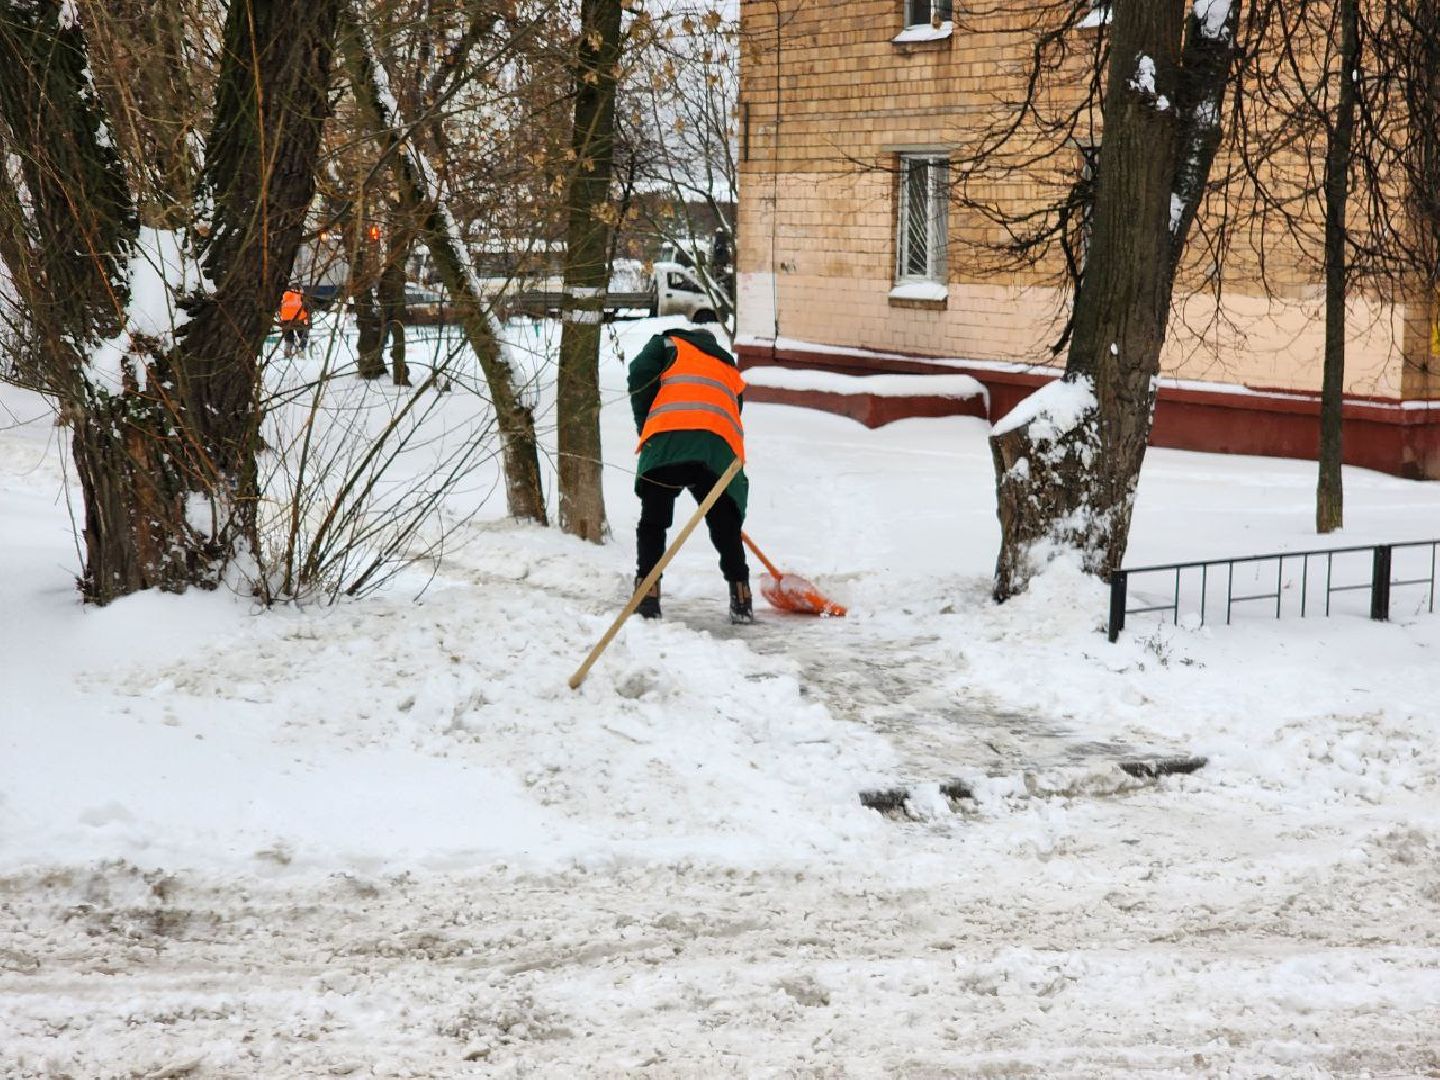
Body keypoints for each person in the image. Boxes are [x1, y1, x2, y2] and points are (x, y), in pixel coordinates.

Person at [629, 322, 752, 624]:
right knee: (725, 524)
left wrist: (647, 422)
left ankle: (648, 593)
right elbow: (734, 406)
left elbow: (639, 372)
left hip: (669, 443)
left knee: (654, 521)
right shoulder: (726, 364)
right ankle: (741, 594)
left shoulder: (667, 345)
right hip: (715, 452)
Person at [278, 287, 310, 357]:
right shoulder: (301, 296)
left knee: (288, 334)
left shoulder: (285, 296)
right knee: (303, 333)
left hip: (285, 319)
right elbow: (307, 310)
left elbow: (280, 308)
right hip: (298, 319)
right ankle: (302, 350)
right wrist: (308, 324)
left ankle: (287, 349)